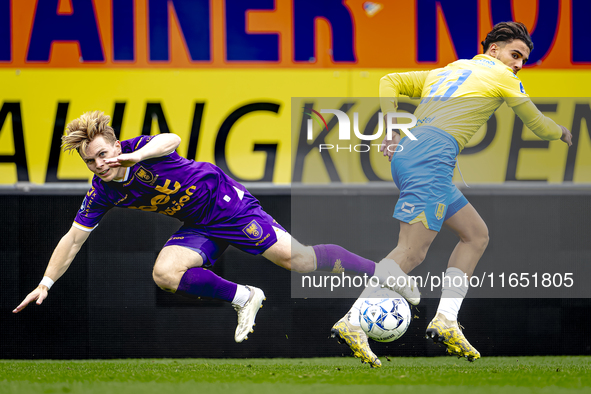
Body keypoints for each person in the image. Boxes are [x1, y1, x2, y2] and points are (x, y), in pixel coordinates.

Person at [12, 110, 412, 347]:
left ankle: (384, 272)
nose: (99, 165)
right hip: (198, 224)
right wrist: (46, 282)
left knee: (302, 262)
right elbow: (73, 239)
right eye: (91, 162)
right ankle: (245, 296)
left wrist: (136, 156)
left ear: (116, 147)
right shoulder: (101, 191)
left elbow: (172, 139)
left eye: (103, 154)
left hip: (229, 206)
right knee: (165, 274)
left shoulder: (143, 149)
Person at [330, 21, 573, 366]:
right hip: (431, 157)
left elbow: (390, 81)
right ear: (494, 50)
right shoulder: (504, 78)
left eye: (523, 60)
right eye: (515, 54)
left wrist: (391, 124)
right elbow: (538, 124)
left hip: (414, 154)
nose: (519, 64)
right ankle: (352, 321)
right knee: (411, 252)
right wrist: (562, 131)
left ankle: (445, 320)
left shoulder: (448, 70)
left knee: (475, 235)